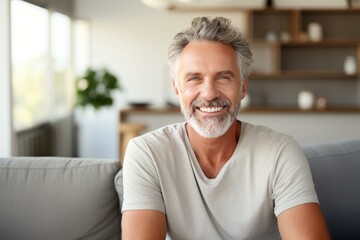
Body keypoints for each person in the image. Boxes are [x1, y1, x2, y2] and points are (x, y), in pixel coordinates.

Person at [117, 16, 330, 239]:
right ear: (177, 89)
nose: (209, 93)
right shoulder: (147, 153)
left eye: (223, 77)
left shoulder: (280, 151)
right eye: (194, 78)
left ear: (243, 87)